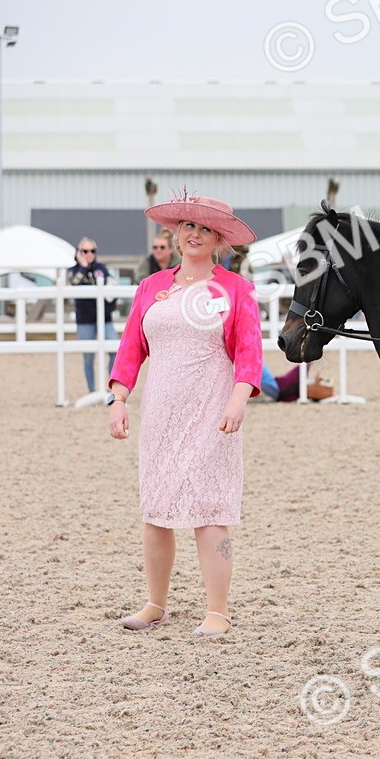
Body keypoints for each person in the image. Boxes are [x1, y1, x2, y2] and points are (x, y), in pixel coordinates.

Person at [107, 193, 262, 638]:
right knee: (156, 508)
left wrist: (239, 397)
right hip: (160, 413)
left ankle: (217, 610)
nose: (194, 235)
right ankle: (155, 603)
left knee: (211, 507)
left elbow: (250, 350)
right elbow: (131, 348)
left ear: (218, 240)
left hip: (213, 411)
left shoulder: (235, 288)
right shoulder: (151, 286)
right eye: (188, 227)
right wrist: (118, 398)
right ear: (176, 234)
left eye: (205, 230)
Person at [67, 236, 119, 394]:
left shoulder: (102, 269)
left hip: (105, 319)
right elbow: (74, 284)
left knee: (115, 351)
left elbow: (112, 289)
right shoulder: (73, 271)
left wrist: (109, 307)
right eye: (85, 251)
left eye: (92, 251)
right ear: (78, 252)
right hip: (85, 320)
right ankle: (92, 391)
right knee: (88, 356)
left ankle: (112, 390)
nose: (89, 254)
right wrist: (83, 266)